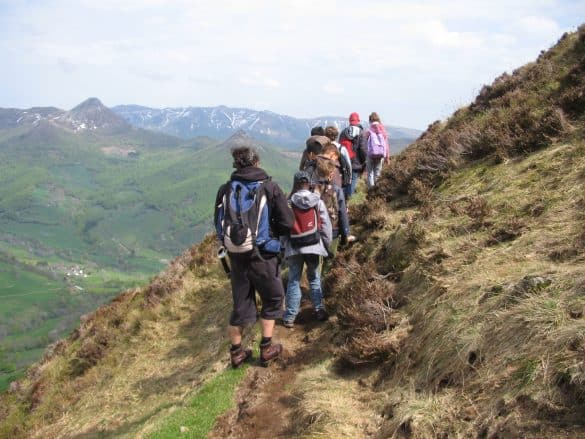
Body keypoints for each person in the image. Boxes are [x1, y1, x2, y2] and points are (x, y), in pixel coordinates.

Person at [214, 146, 295, 368]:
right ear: (256, 162)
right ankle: (267, 348)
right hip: (264, 255)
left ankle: (237, 353)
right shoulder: (269, 187)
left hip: (236, 256)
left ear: (236, 164)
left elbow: (218, 223)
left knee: (240, 305)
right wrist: (276, 237)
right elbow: (288, 222)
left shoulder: (226, 189)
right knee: (273, 299)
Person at [282, 171, 332, 328]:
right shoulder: (317, 202)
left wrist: (284, 247)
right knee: (314, 278)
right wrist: (326, 245)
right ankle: (319, 309)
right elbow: (325, 226)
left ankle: (290, 316)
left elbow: (284, 229)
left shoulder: (288, 203)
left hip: (295, 247)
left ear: (296, 184)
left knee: (294, 280)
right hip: (314, 245)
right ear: (309, 184)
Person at [313, 156, 350, 278]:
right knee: (329, 259)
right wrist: (345, 234)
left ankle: (315, 288)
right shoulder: (336, 190)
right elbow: (342, 214)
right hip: (333, 232)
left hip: (314, 231)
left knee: (316, 262)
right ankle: (323, 287)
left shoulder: (311, 190)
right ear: (331, 174)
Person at [338, 112, 366, 199]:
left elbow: (339, 146)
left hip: (344, 161)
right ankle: (349, 200)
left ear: (350, 121)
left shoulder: (343, 132)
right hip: (356, 162)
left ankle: (342, 199)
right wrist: (364, 161)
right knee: (353, 179)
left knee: (345, 180)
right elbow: (362, 148)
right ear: (358, 121)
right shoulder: (361, 133)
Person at [361, 112, 390, 188]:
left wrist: (366, 153)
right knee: (377, 173)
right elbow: (386, 145)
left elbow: (364, 144)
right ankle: (376, 191)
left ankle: (371, 190)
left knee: (370, 173)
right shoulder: (383, 130)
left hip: (370, 155)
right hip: (380, 155)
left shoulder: (368, 131)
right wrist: (387, 157)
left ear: (370, 120)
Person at [325, 125, 352, 195]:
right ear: (336, 136)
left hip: (326, 177)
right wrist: (349, 178)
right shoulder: (342, 148)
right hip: (339, 177)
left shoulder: (324, 148)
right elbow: (348, 164)